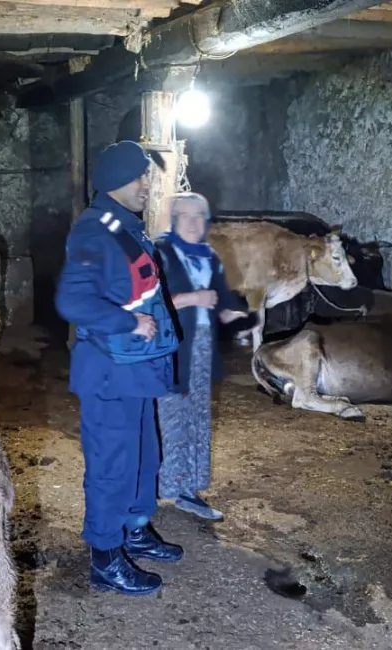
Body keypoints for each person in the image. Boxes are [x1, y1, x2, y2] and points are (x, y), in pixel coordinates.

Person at [54, 140, 184, 597]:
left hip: (137, 370)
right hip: (110, 371)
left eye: (147, 175)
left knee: (145, 457)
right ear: (115, 182)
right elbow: (72, 299)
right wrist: (128, 320)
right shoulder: (94, 231)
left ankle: (135, 528)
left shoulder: (122, 225)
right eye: (140, 177)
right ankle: (105, 557)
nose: (148, 185)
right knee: (113, 465)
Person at [153, 192, 247, 521]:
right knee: (171, 416)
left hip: (202, 345)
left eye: (199, 217)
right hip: (172, 347)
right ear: (173, 220)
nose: (193, 224)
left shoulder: (209, 255)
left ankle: (189, 489)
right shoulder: (160, 253)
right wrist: (194, 297)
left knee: (197, 418)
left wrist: (235, 315)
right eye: (185, 216)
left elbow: (219, 301)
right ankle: (162, 489)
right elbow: (152, 303)